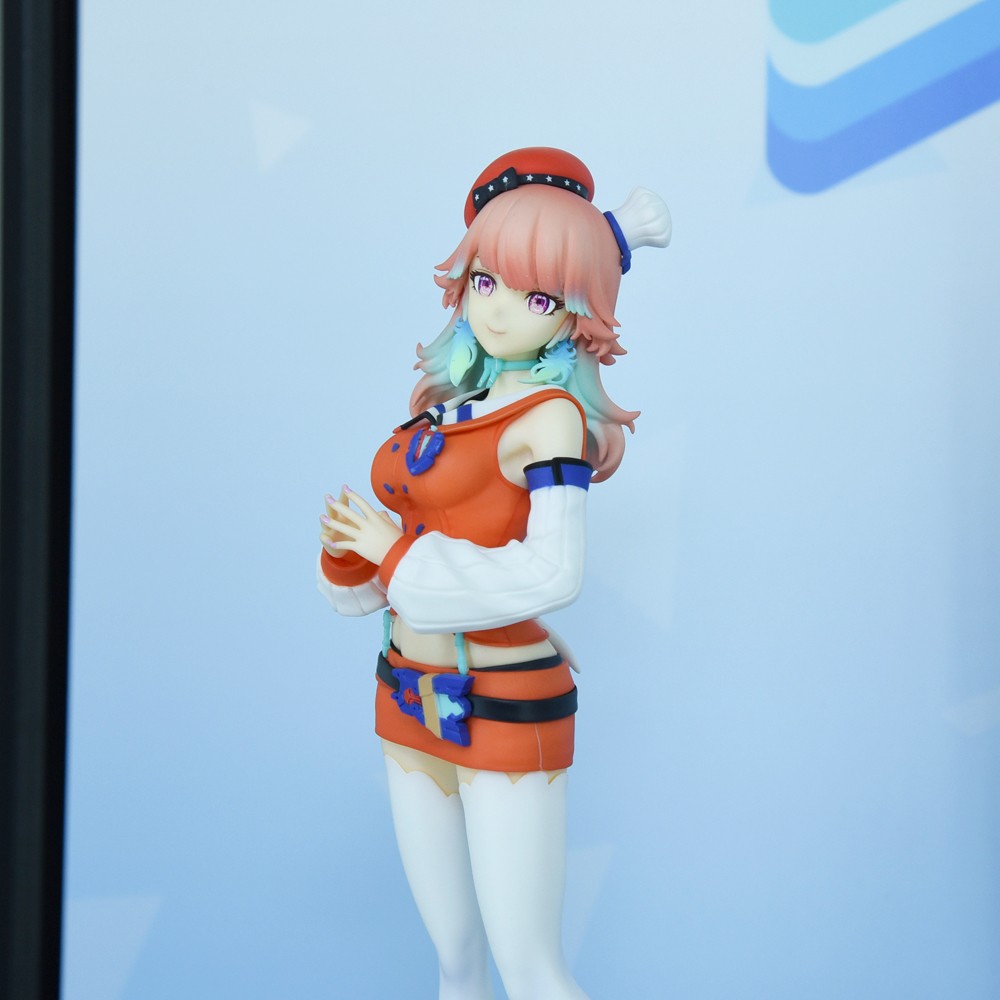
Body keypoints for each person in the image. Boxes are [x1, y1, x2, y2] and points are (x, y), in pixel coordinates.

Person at [317, 148, 670, 1000]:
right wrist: (352, 552)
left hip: (503, 705)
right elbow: (403, 553)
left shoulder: (551, 419)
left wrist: (396, 555)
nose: (501, 308)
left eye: (537, 296)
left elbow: (554, 573)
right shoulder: (450, 411)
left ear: (577, 309)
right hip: (407, 695)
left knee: (531, 969)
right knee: (454, 960)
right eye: (486, 281)